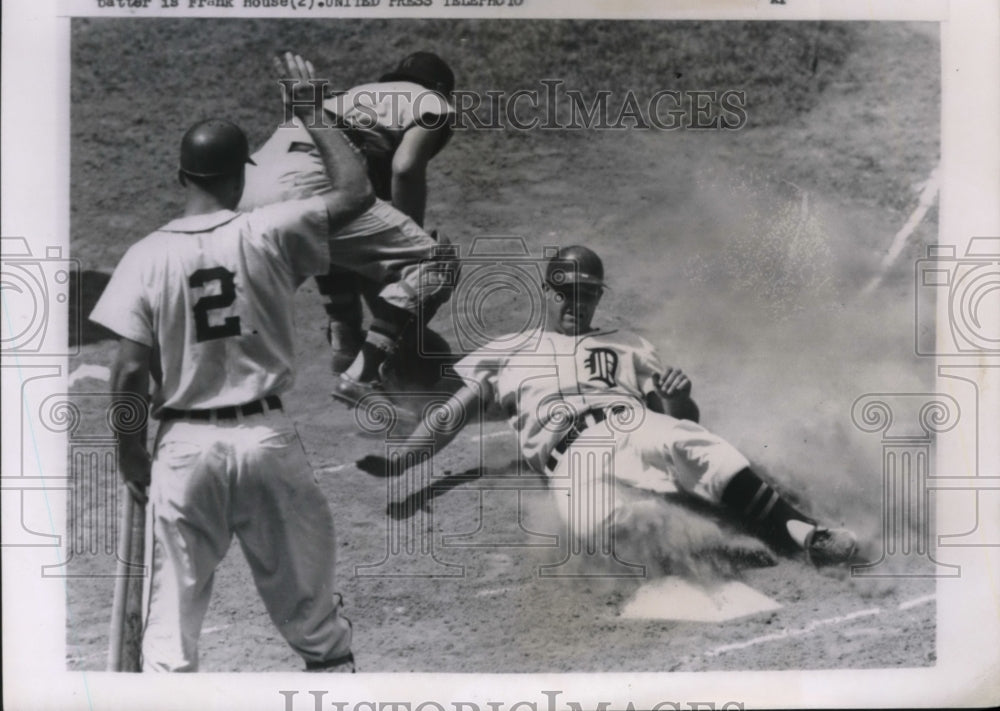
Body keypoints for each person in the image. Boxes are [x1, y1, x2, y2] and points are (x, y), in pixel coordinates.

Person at [90, 53, 443, 671]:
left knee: (170, 634)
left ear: (181, 177)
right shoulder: (272, 232)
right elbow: (357, 192)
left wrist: (129, 455)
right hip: (267, 443)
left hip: (183, 451)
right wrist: (310, 110)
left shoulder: (143, 255)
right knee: (314, 622)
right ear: (241, 176)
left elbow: (126, 374)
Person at [357, 245, 859, 571]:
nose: (579, 303)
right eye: (569, 292)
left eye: (589, 294)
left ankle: (804, 534)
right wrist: (403, 459)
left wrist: (679, 396)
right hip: (569, 458)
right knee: (604, 526)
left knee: (695, 446)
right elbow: (450, 416)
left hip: (632, 422)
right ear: (549, 292)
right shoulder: (509, 347)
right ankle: (715, 547)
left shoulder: (628, 343)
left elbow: (681, 420)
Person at [238, 50, 456, 375]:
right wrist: (411, 239)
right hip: (309, 181)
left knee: (335, 238)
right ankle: (362, 374)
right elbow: (406, 168)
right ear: (440, 88)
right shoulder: (434, 103)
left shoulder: (353, 97)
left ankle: (346, 338)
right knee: (435, 263)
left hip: (249, 183)